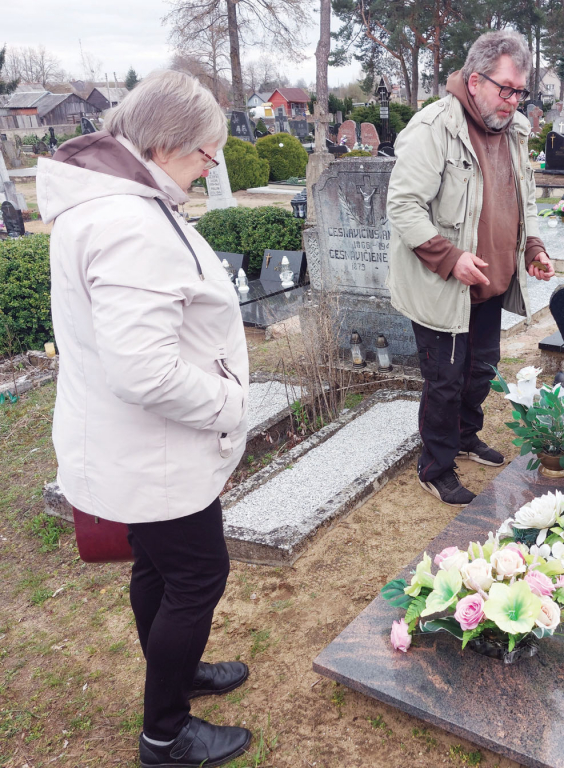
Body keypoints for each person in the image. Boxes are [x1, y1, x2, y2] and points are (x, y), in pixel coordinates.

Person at [37, 71, 252, 768]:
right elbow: (144, 371)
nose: (209, 169)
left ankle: (177, 674)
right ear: (164, 145)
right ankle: (166, 732)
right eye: (205, 155)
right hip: (157, 449)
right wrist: (228, 403)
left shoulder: (113, 202)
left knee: (160, 569)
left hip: (138, 447)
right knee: (197, 578)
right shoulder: (128, 223)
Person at [386, 30, 555, 507]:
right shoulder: (434, 127)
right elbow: (402, 206)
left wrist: (533, 246)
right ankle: (435, 466)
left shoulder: (514, 129)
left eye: (520, 91)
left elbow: (524, 197)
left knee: (481, 369)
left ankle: (465, 436)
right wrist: (450, 256)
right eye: (506, 89)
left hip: (492, 282)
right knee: (445, 379)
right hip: (443, 286)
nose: (514, 101)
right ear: (475, 79)